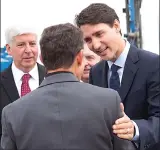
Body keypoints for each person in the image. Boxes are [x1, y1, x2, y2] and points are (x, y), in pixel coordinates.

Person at [1, 23, 135, 150]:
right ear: (79, 57)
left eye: (31, 44)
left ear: (41, 58)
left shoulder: (12, 113)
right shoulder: (109, 101)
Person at [75, 3, 160, 150]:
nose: (95, 45)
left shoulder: (153, 64)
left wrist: (134, 128)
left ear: (116, 26)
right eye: (88, 40)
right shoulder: (96, 72)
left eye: (99, 34)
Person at [0, 26, 46, 142]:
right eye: (21, 45)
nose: (28, 50)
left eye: (32, 44)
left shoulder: (52, 76)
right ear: (9, 49)